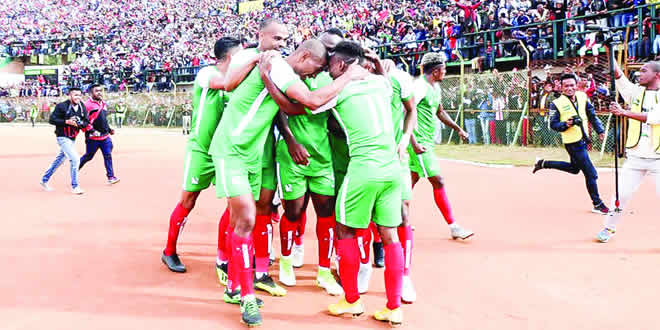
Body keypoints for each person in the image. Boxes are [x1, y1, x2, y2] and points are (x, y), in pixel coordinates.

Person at [208, 39, 366, 327]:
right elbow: (312, 101)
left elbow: (295, 110)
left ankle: (234, 284)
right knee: (245, 220)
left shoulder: (279, 72)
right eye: (313, 68)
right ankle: (246, 297)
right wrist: (347, 78)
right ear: (304, 56)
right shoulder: (280, 67)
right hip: (232, 149)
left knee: (240, 222)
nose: (311, 75)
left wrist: (266, 79)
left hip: (251, 154)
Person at [289, 41, 404, 326]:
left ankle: (351, 301)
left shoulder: (339, 91)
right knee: (390, 236)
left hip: (363, 168)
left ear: (340, 65)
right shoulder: (382, 85)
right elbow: (384, 79)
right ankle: (394, 307)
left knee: (344, 229)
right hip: (392, 170)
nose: (328, 71)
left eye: (330, 66)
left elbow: (308, 102)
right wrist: (373, 65)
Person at [217, 18, 291, 299]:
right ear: (261, 35)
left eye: (285, 40)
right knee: (242, 216)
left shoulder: (282, 66)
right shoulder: (247, 57)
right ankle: (235, 279)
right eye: (276, 39)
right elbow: (228, 84)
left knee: (257, 214)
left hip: (262, 149)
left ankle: (246, 279)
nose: (280, 44)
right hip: (235, 147)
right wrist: (258, 62)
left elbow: (284, 108)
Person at [161, 38, 244, 275]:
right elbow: (226, 84)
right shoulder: (207, 74)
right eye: (240, 55)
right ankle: (169, 251)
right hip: (200, 149)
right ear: (229, 57)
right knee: (188, 201)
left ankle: (223, 257)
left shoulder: (236, 82)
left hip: (224, 152)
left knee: (233, 204)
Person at [275, 29, 344, 296]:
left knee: (326, 214)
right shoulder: (290, 76)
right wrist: (291, 140)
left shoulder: (329, 78)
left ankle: (324, 272)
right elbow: (278, 109)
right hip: (292, 156)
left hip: (322, 157)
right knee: (293, 212)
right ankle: (286, 261)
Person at [408, 52, 474, 240]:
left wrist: (458, 128)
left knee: (409, 182)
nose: (445, 72)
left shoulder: (435, 87)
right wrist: (412, 141)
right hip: (419, 144)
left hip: (426, 142)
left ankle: (393, 219)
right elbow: (405, 113)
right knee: (437, 180)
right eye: (444, 69)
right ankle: (453, 226)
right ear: (436, 71)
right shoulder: (419, 87)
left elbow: (440, 111)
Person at [596, 61, 660, 242]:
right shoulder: (636, 92)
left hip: (658, 158)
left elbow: (654, 118)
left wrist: (623, 112)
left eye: (643, 71)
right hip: (635, 157)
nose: (639, 74)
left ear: (657, 75)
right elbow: (618, 75)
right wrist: (609, 48)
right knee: (621, 194)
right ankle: (608, 228)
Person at [533, 73, 609, 214]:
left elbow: (591, 114)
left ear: (576, 85)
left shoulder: (582, 96)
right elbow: (553, 124)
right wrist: (566, 124)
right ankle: (597, 204)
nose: (569, 88)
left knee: (575, 169)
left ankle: (543, 163)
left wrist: (600, 130)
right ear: (561, 87)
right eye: (566, 86)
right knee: (591, 174)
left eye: (572, 85)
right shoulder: (556, 103)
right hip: (572, 143)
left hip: (583, 139)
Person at [40, 88, 91, 195]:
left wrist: (79, 124)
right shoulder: (62, 106)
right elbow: (52, 120)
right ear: (70, 95)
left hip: (73, 137)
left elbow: (86, 121)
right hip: (62, 137)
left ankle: (44, 180)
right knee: (75, 159)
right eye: (75, 95)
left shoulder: (82, 107)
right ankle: (75, 186)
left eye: (79, 95)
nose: (78, 97)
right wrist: (66, 122)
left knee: (59, 160)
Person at [78, 84, 120, 185]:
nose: (99, 92)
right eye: (97, 91)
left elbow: (103, 119)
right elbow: (83, 121)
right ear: (91, 93)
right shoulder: (86, 105)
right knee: (89, 156)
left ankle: (111, 177)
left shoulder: (103, 104)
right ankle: (75, 169)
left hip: (105, 136)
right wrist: (92, 131)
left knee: (108, 155)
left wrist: (109, 129)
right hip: (93, 137)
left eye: (101, 90)